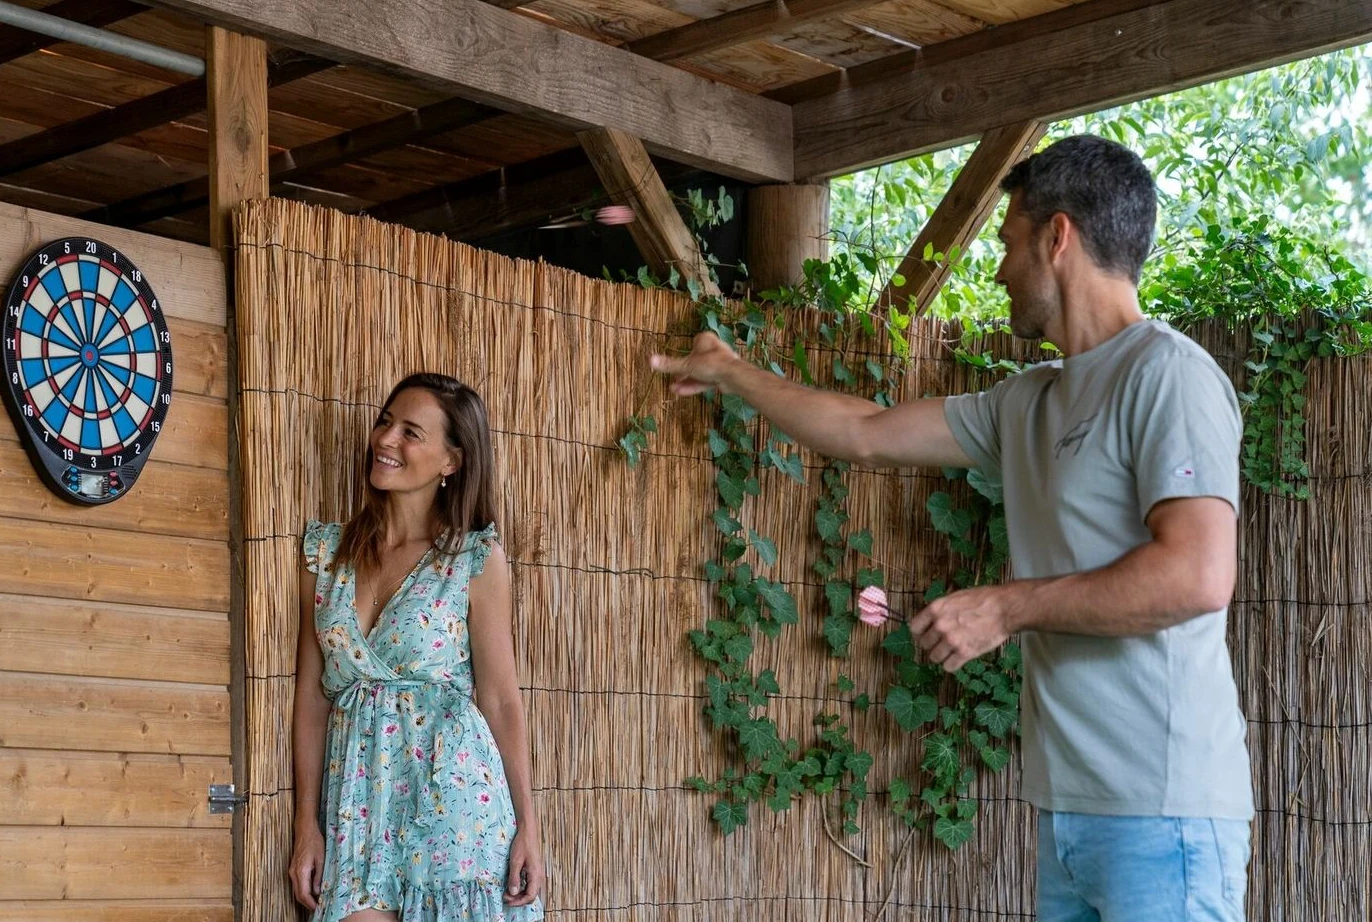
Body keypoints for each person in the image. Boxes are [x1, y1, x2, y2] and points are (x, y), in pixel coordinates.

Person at [651, 135, 1252, 921]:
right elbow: (865, 429)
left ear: (1057, 237)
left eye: (1007, 244)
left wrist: (1004, 607)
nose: (998, 269)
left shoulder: (1166, 376)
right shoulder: (1029, 402)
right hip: (1071, 809)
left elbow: (1197, 576)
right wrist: (731, 371)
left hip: (1164, 811)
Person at [289, 372, 546, 922]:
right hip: (357, 798)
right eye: (386, 421)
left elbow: (501, 698)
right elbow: (312, 697)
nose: (385, 439)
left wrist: (529, 823)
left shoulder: (473, 557)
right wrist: (304, 824)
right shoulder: (327, 553)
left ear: (451, 461)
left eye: (411, 432)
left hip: (452, 795)